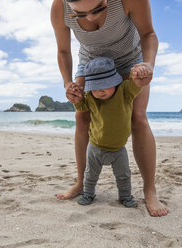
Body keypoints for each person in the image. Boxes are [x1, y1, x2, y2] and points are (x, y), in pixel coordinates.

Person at [51, 0, 169, 216]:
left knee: (138, 118)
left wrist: (148, 64)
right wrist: (68, 83)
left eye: (98, 9)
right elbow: (63, 50)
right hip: (91, 64)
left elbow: (148, 34)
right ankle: (81, 183)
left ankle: (150, 190)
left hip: (130, 59)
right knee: (81, 117)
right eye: (80, 14)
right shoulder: (60, 7)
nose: (91, 18)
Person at [74, 57, 142, 207]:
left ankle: (125, 196)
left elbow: (136, 85)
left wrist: (138, 76)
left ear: (115, 81)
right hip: (95, 146)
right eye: (95, 87)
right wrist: (76, 99)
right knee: (90, 174)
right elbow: (82, 107)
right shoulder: (90, 96)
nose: (100, 90)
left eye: (105, 85)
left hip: (118, 149)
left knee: (123, 175)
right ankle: (88, 193)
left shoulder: (124, 91)